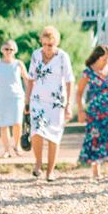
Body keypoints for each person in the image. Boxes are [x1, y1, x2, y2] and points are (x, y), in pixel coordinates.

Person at [26, 26, 75, 181]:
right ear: (41, 41)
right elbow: (30, 79)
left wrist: (69, 105)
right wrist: (27, 102)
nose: (47, 48)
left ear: (56, 43)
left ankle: (50, 172)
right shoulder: (35, 55)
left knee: (54, 136)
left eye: (51, 45)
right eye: (45, 44)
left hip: (57, 103)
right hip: (37, 100)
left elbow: (69, 81)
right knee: (36, 131)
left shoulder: (63, 57)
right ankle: (38, 163)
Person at [76, 45, 108, 180]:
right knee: (95, 138)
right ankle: (96, 170)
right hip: (96, 111)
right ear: (97, 57)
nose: (106, 62)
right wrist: (80, 110)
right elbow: (79, 93)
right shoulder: (88, 72)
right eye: (104, 59)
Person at [0, 40, 29, 158]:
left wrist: (29, 95)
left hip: (17, 97)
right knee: (3, 125)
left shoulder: (19, 64)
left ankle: (17, 145)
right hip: (0, 98)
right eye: (6, 49)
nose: (9, 51)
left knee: (17, 123)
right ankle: (7, 150)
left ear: (14, 51)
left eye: (11, 49)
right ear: (2, 50)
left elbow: (26, 79)